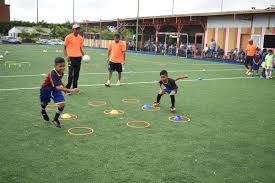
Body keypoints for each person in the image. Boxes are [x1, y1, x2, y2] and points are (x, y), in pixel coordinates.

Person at [40, 57, 80, 128]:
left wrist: (65, 89)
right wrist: (71, 90)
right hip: (46, 89)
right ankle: (43, 111)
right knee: (45, 103)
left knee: (62, 104)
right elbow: (57, 87)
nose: (62, 68)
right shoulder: (52, 74)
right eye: (60, 66)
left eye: (64, 66)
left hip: (55, 89)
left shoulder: (61, 73)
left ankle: (55, 119)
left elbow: (59, 81)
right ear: (55, 66)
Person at [64, 24, 85, 91]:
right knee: (70, 75)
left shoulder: (81, 38)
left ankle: (75, 88)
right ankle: (67, 89)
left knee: (76, 74)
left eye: (78, 29)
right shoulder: (68, 37)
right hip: (71, 58)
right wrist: (66, 56)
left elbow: (80, 48)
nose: (77, 30)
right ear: (73, 29)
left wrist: (84, 55)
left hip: (78, 58)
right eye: (76, 29)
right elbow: (64, 47)